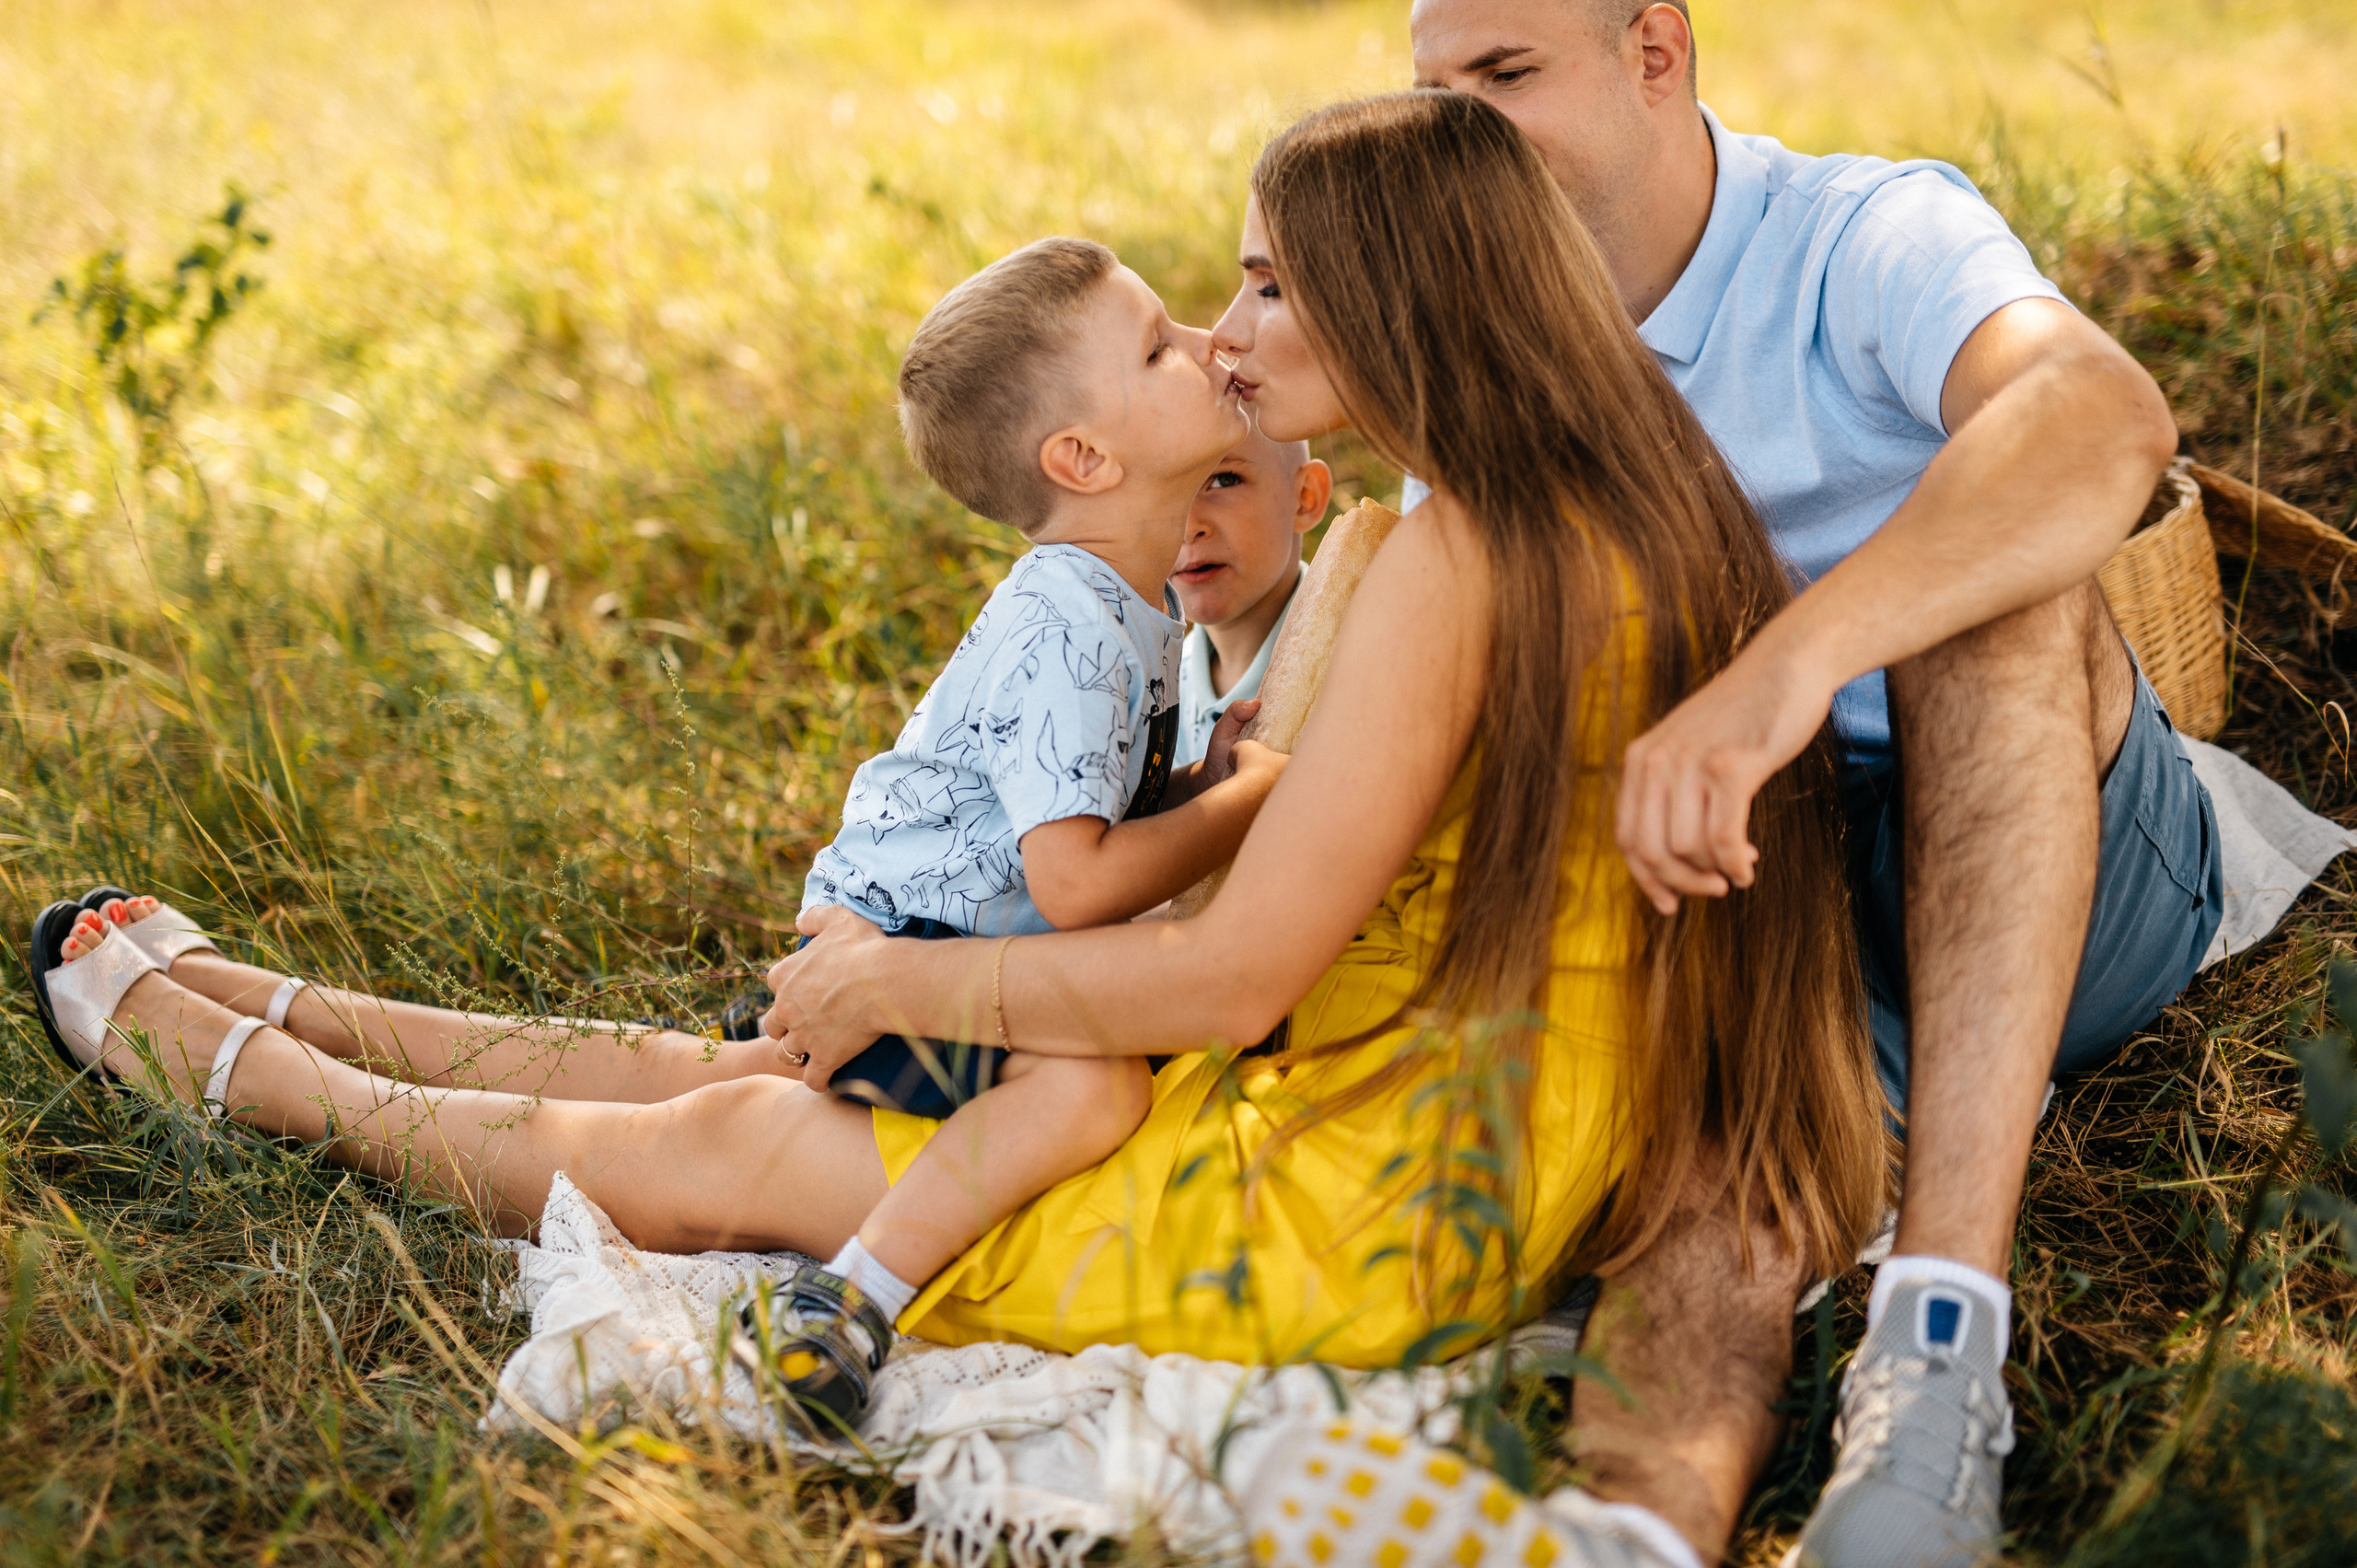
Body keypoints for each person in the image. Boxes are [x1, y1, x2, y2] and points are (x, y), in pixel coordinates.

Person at [35, 92, 1887, 1566]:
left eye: (1260, 287)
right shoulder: (1583, 494)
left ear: (1396, 300)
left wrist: (922, 965)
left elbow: (1237, 964)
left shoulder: (1458, 553)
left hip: (1361, 1193)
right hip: (1411, 1114)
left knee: (749, 1128)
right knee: (771, 1072)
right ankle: (299, 1001)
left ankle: (262, 1078)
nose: (1231, 335)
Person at [1405, 4, 2211, 1565]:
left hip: (2050, 835)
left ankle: (1939, 1361)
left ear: (1655, 53)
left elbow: (2097, 414)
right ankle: (1627, 1525)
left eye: (1505, 80)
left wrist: (1774, 676)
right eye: (1433, 93)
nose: (1460, 137)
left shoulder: (1861, 233)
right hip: (1757, 901)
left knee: (1991, 597)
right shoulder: (1481, 347)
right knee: (1711, 1184)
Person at [1167, 429, 1332, 766]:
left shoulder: (1360, 662)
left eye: (1224, 480)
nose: (1187, 526)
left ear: (1305, 496)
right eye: (1159, 491)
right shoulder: (1147, 692)